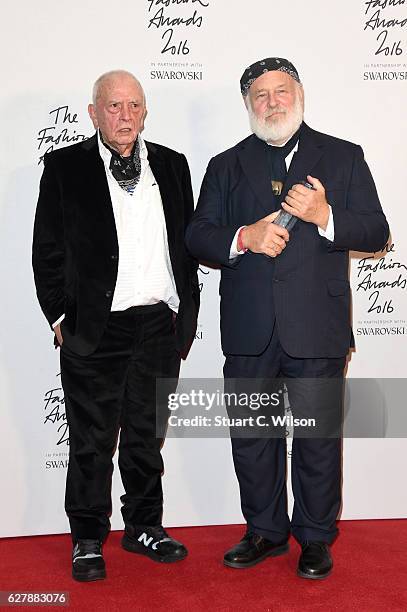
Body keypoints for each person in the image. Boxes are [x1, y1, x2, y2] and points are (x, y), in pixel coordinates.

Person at [185, 57, 388, 579]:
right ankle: (266, 532)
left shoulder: (342, 157)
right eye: (260, 95)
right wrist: (242, 238)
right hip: (250, 329)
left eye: (280, 91)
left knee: (319, 438)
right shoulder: (225, 166)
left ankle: (315, 538)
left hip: (316, 327)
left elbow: (376, 232)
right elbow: (197, 236)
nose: (271, 102)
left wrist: (325, 217)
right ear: (248, 104)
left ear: (298, 94)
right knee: (253, 437)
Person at [32, 70, 199, 582]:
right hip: (95, 329)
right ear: (94, 112)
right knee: (91, 440)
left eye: (133, 107)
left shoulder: (172, 166)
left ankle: (144, 526)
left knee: (146, 438)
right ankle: (86, 537)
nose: (124, 117)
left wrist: (181, 316)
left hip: (157, 326)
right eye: (113, 107)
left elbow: (184, 244)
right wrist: (61, 317)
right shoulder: (65, 167)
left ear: (144, 112)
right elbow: (48, 248)